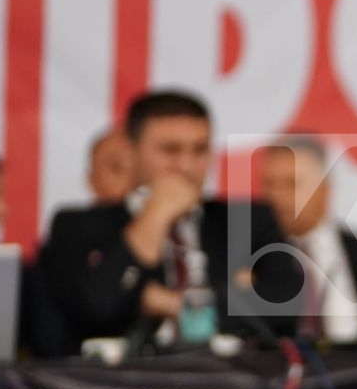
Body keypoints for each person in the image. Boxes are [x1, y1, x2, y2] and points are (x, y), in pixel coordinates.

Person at [38, 90, 295, 350]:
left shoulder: (249, 220)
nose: (186, 165)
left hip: (236, 378)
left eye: (200, 150)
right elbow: (98, 308)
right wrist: (155, 214)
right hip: (124, 382)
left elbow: (285, 304)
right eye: (170, 150)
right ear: (130, 150)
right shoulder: (77, 226)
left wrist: (176, 304)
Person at [256, 137, 357, 347]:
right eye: (269, 185)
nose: (276, 196)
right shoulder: (248, 261)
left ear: (325, 189)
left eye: (291, 184)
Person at [87, 128, 135, 206]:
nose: (131, 177)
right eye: (117, 166)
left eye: (137, 167)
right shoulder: (68, 217)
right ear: (93, 182)